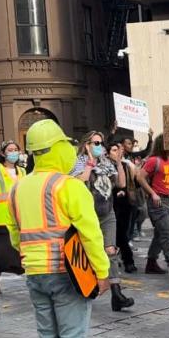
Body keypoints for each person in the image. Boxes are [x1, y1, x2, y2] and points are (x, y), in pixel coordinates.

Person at [6, 119, 108, 338]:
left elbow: (15, 233)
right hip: (67, 272)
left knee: (48, 336)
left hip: (35, 272)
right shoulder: (69, 185)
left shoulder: (17, 187)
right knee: (72, 337)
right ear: (59, 148)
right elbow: (90, 233)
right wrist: (102, 272)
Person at [72, 131, 134, 310]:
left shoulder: (107, 164)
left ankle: (117, 294)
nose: (100, 147)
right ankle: (82, 288)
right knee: (86, 253)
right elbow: (79, 181)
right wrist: (90, 163)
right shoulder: (79, 162)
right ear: (87, 145)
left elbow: (121, 184)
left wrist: (118, 163)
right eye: (96, 143)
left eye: (101, 143)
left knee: (110, 250)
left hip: (107, 213)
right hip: (87, 215)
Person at [0, 141, 27, 295]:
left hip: (20, 217)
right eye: (10, 150)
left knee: (19, 249)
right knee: (3, 249)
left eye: (16, 150)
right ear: (2, 153)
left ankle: (24, 273)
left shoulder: (22, 171)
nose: (14, 153)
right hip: (2, 217)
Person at [136, 134, 169, 279]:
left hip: (168, 200)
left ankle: (151, 263)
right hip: (157, 202)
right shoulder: (154, 160)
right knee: (167, 233)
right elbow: (140, 177)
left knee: (161, 233)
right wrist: (153, 193)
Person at [107, 140, 138, 274]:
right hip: (110, 205)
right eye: (114, 150)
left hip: (124, 204)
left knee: (122, 235)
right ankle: (125, 261)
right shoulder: (104, 166)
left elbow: (126, 183)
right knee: (116, 236)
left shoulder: (125, 165)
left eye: (119, 149)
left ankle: (126, 260)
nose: (118, 152)